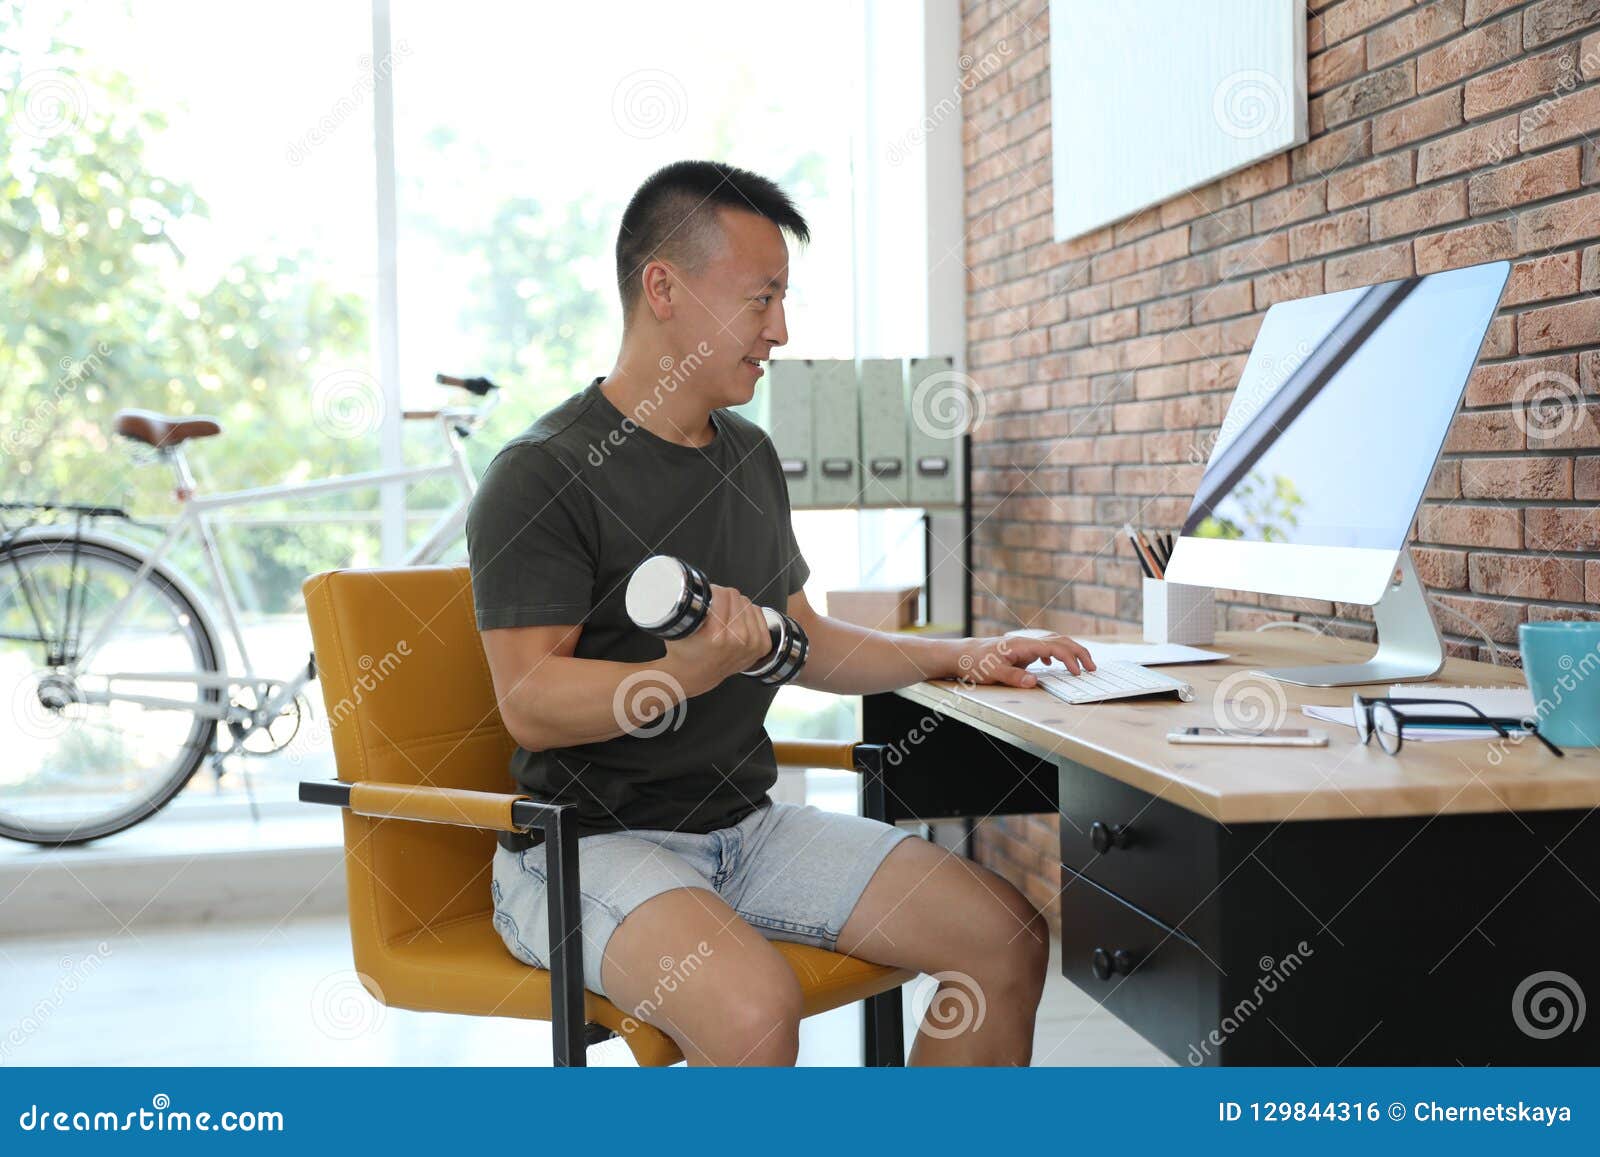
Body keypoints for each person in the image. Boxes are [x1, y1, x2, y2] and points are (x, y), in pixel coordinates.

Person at [467, 160, 1094, 1066]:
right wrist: (678, 677)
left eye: (783, 299)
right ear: (664, 288)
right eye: (761, 300)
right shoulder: (542, 472)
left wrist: (964, 652)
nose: (782, 330)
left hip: (746, 828)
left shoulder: (747, 456)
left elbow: (805, 641)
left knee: (1004, 939)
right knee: (755, 1012)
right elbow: (528, 698)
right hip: (583, 845)